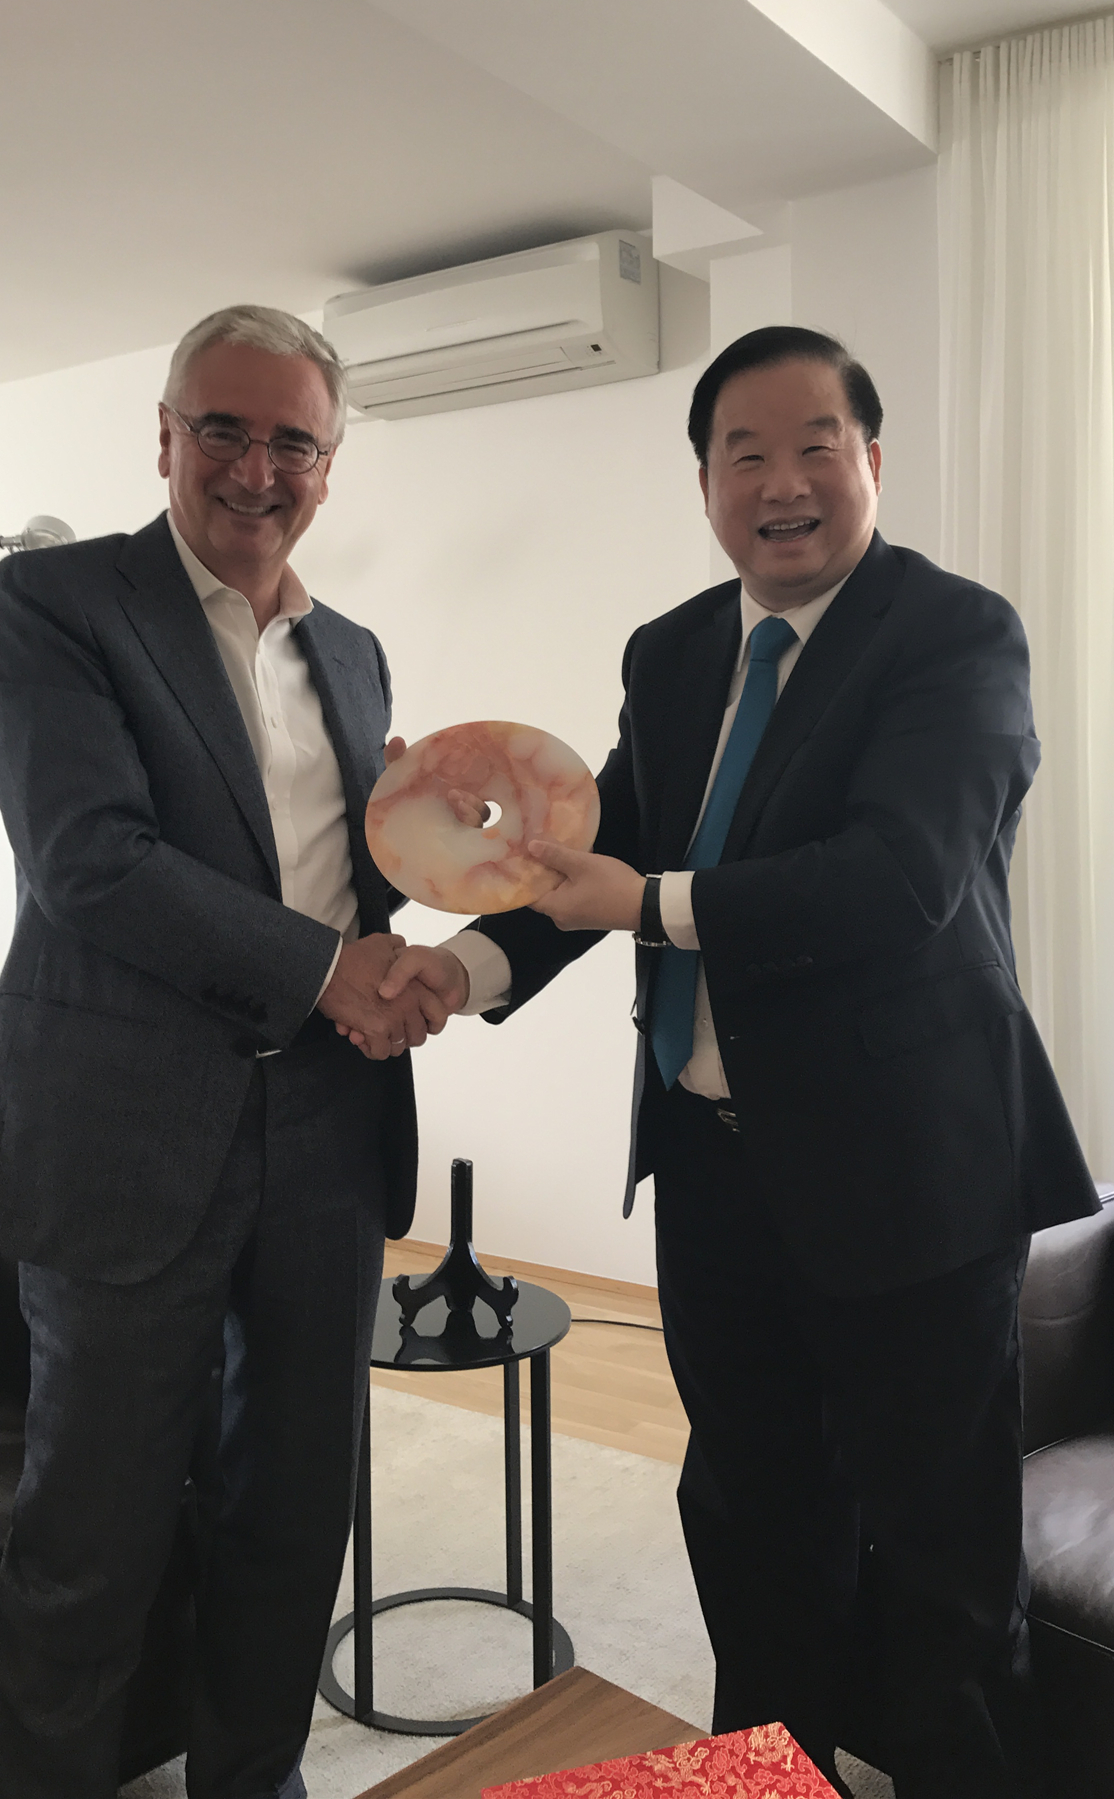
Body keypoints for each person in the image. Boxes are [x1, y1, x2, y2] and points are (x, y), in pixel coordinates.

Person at [381, 327, 1098, 1797]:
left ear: (871, 462)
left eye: (815, 447)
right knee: (752, 1530)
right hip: (712, 1172)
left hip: (912, 1180)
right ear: (704, 480)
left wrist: (646, 905)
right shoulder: (674, 649)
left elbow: (901, 878)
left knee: (944, 1562)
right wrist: (463, 966)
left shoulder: (956, 635)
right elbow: (599, 851)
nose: (782, 483)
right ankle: (769, 1776)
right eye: (743, 453)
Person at [0, 304, 445, 1799]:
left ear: (330, 465)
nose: (255, 468)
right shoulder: (53, 604)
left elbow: (339, 874)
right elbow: (92, 861)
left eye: (294, 441)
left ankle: (253, 1780)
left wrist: (455, 871)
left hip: (327, 1133)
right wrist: (331, 971)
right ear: (164, 436)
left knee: (290, 1517)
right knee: (89, 1538)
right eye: (222, 429)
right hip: (120, 1132)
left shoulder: (352, 653)